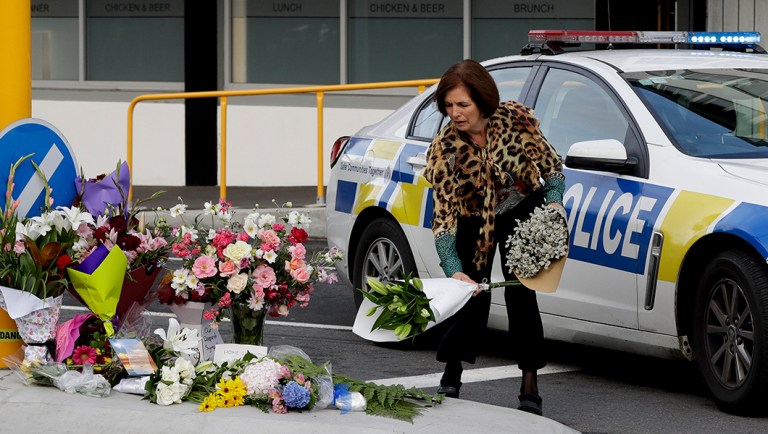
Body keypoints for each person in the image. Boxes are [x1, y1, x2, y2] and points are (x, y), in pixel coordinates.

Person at [422, 59, 565, 416]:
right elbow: (443, 217)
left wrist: (554, 207)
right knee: (469, 294)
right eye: (449, 106)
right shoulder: (445, 149)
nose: (454, 113)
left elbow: (552, 168)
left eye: (462, 105)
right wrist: (452, 266)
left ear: (483, 101)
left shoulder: (516, 121)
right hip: (474, 219)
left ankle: (529, 383)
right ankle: (451, 371)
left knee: (521, 294)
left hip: (522, 210)